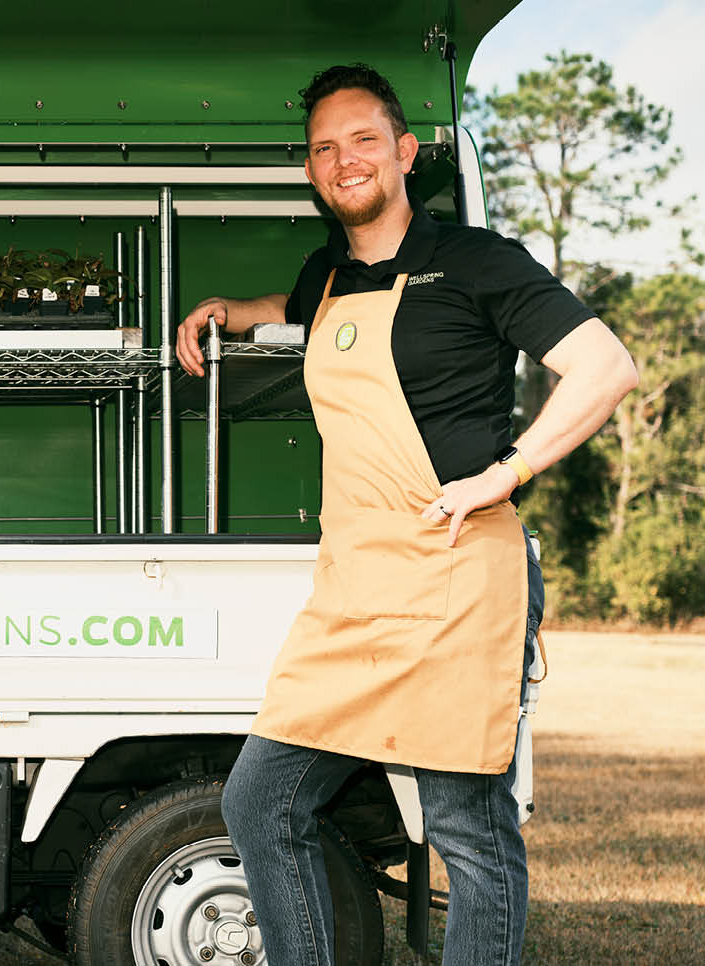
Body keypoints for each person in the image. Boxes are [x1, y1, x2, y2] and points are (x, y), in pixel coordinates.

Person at [176, 65, 637, 966]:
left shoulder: (475, 260)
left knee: (465, 828)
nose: (343, 159)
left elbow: (605, 367)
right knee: (259, 804)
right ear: (309, 172)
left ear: (403, 151)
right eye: (323, 148)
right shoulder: (326, 276)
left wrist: (507, 473)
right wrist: (234, 311)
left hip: (458, 575)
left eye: (361, 139)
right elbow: (299, 314)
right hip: (356, 587)